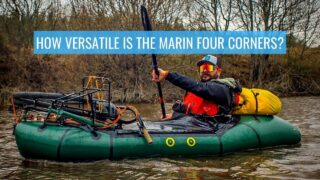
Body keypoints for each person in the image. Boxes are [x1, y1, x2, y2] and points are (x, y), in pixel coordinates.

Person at [152, 55, 241, 120]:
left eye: (208, 67)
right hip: (191, 129)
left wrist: (168, 75)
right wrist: (174, 115)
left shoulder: (223, 89)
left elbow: (201, 88)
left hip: (212, 133)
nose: (205, 71)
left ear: (219, 71)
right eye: (202, 68)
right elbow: (191, 116)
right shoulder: (193, 91)